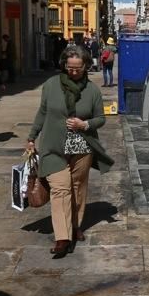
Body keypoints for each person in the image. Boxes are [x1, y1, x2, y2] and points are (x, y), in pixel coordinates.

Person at [27, 45, 114, 257]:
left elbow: (100, 119)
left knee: (77, 188)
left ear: (86, 66)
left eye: (78, 68)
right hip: (53, 147)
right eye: (70, 67)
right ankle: (62, 238)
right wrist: (31, 137)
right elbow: (43, 112)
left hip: (82, 148)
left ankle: (75, 226)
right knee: (60, 189)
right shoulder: (51, 85)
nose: (73, 72)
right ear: (64, 65)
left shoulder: (92, 90)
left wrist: (84, 125)